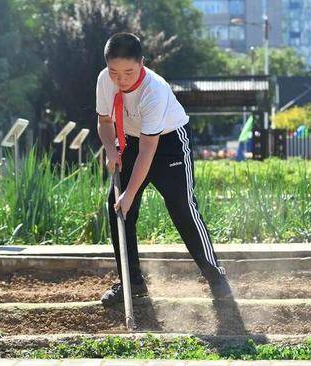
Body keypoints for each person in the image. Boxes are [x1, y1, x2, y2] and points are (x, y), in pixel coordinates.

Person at [96, 33, 231, 306]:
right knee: (118, 209)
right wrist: (111, 151)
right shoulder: (104, 80)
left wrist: (131, 192)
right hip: (133, 140)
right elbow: (104, 121)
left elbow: (150, 150)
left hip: (168, 142)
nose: (121, 80)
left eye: (128, 72)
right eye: (114, 72)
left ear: (142, 63)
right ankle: (132, 283)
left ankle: (216, 277)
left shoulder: (154, 90)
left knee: (181, 206)